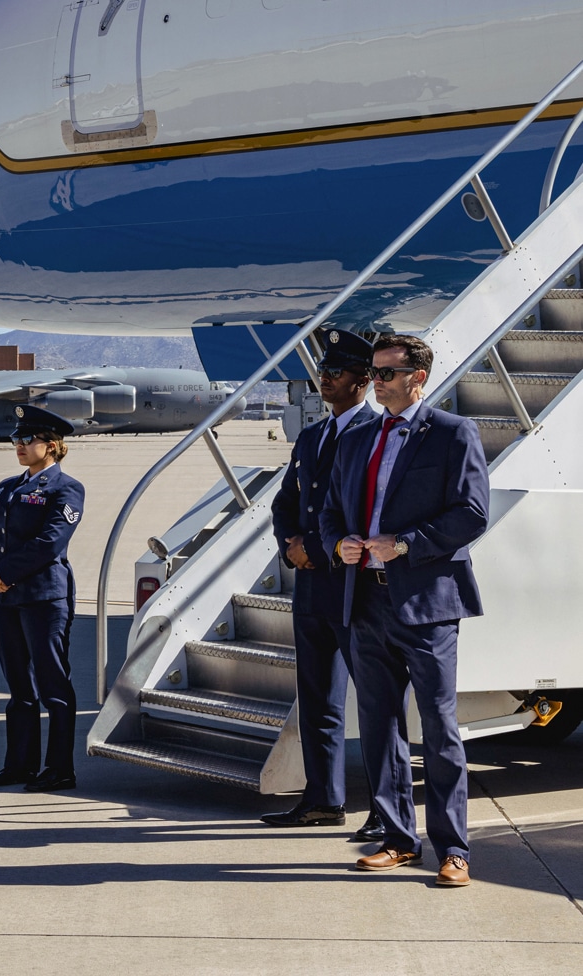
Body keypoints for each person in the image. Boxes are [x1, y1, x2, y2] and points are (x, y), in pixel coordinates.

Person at [319, 333, 488, 888]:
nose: (377, 382)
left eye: (387, 373)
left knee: (439, 726)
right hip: (364, 598)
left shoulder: (452, 433)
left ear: (417, 377)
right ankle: (397, 838)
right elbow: (331, 511)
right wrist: (338, 543)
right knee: (378, 725)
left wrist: (410, 542)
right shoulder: (357, 438)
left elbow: (471, 514)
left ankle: (453, 848)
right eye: (374, 372)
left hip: (426, 603)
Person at [263, 330, 384, 840]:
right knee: (317, 699)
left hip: (359, 588)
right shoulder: (312, 436)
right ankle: (322, 799)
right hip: (313, 589)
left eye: (337, 370)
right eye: (325, 368)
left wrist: (314, 549)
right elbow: (287, 501)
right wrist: (289, 541)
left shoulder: (380, 433)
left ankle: (385, 809)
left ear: (363, 381)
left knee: (378, 705)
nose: (325, 376)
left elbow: (367, 509)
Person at [0, 405, 86, 792]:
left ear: (52, 446)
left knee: (54, 686)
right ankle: (19, 765)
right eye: (16, 439)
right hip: (5, 599)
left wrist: (3, 574)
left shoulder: (66, 488)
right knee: (19, 687)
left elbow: (49, 542)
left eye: (28, 440)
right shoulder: (7, 486)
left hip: (44, 598)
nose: (19, 445)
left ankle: (59, 769)